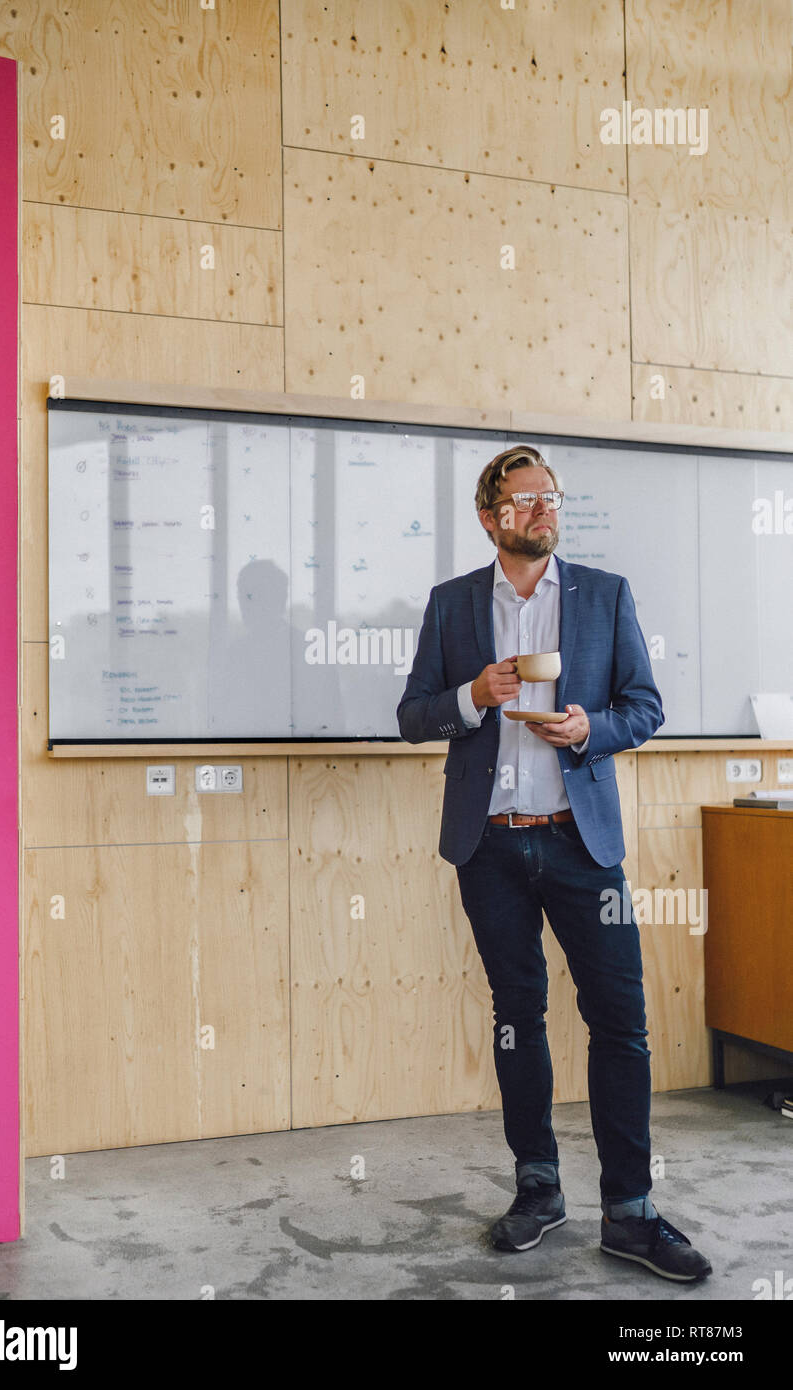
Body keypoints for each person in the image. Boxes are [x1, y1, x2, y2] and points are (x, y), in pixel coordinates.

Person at [396, 445, 711, 1283]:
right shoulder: (453, 604)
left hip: (580, 842)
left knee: (620, 1022)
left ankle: (631, 1212)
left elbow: (644, 706)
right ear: (489, 514)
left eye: (550, 497)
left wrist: (586, 731)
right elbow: (412, 716)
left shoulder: (604, 595)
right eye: (524, 498)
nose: (542, 509)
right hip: (489, 846)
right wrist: (475, 696)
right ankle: (537, 1190)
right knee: (516, 1015)